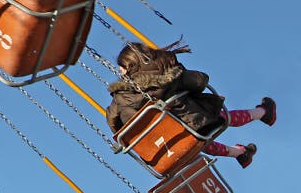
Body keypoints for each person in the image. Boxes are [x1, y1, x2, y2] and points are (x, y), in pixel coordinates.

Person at [105, 39, 277, 168]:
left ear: (129, 66)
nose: (119, 71)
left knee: (194, 141)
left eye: (120, 67)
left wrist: (125, 136)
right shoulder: (167, 73)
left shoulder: (120, 96)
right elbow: (200, 81)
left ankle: (240, 153)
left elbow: (113, 120)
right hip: (198, 123)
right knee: (219, 118)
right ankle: (262, 113)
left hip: (167, 144)